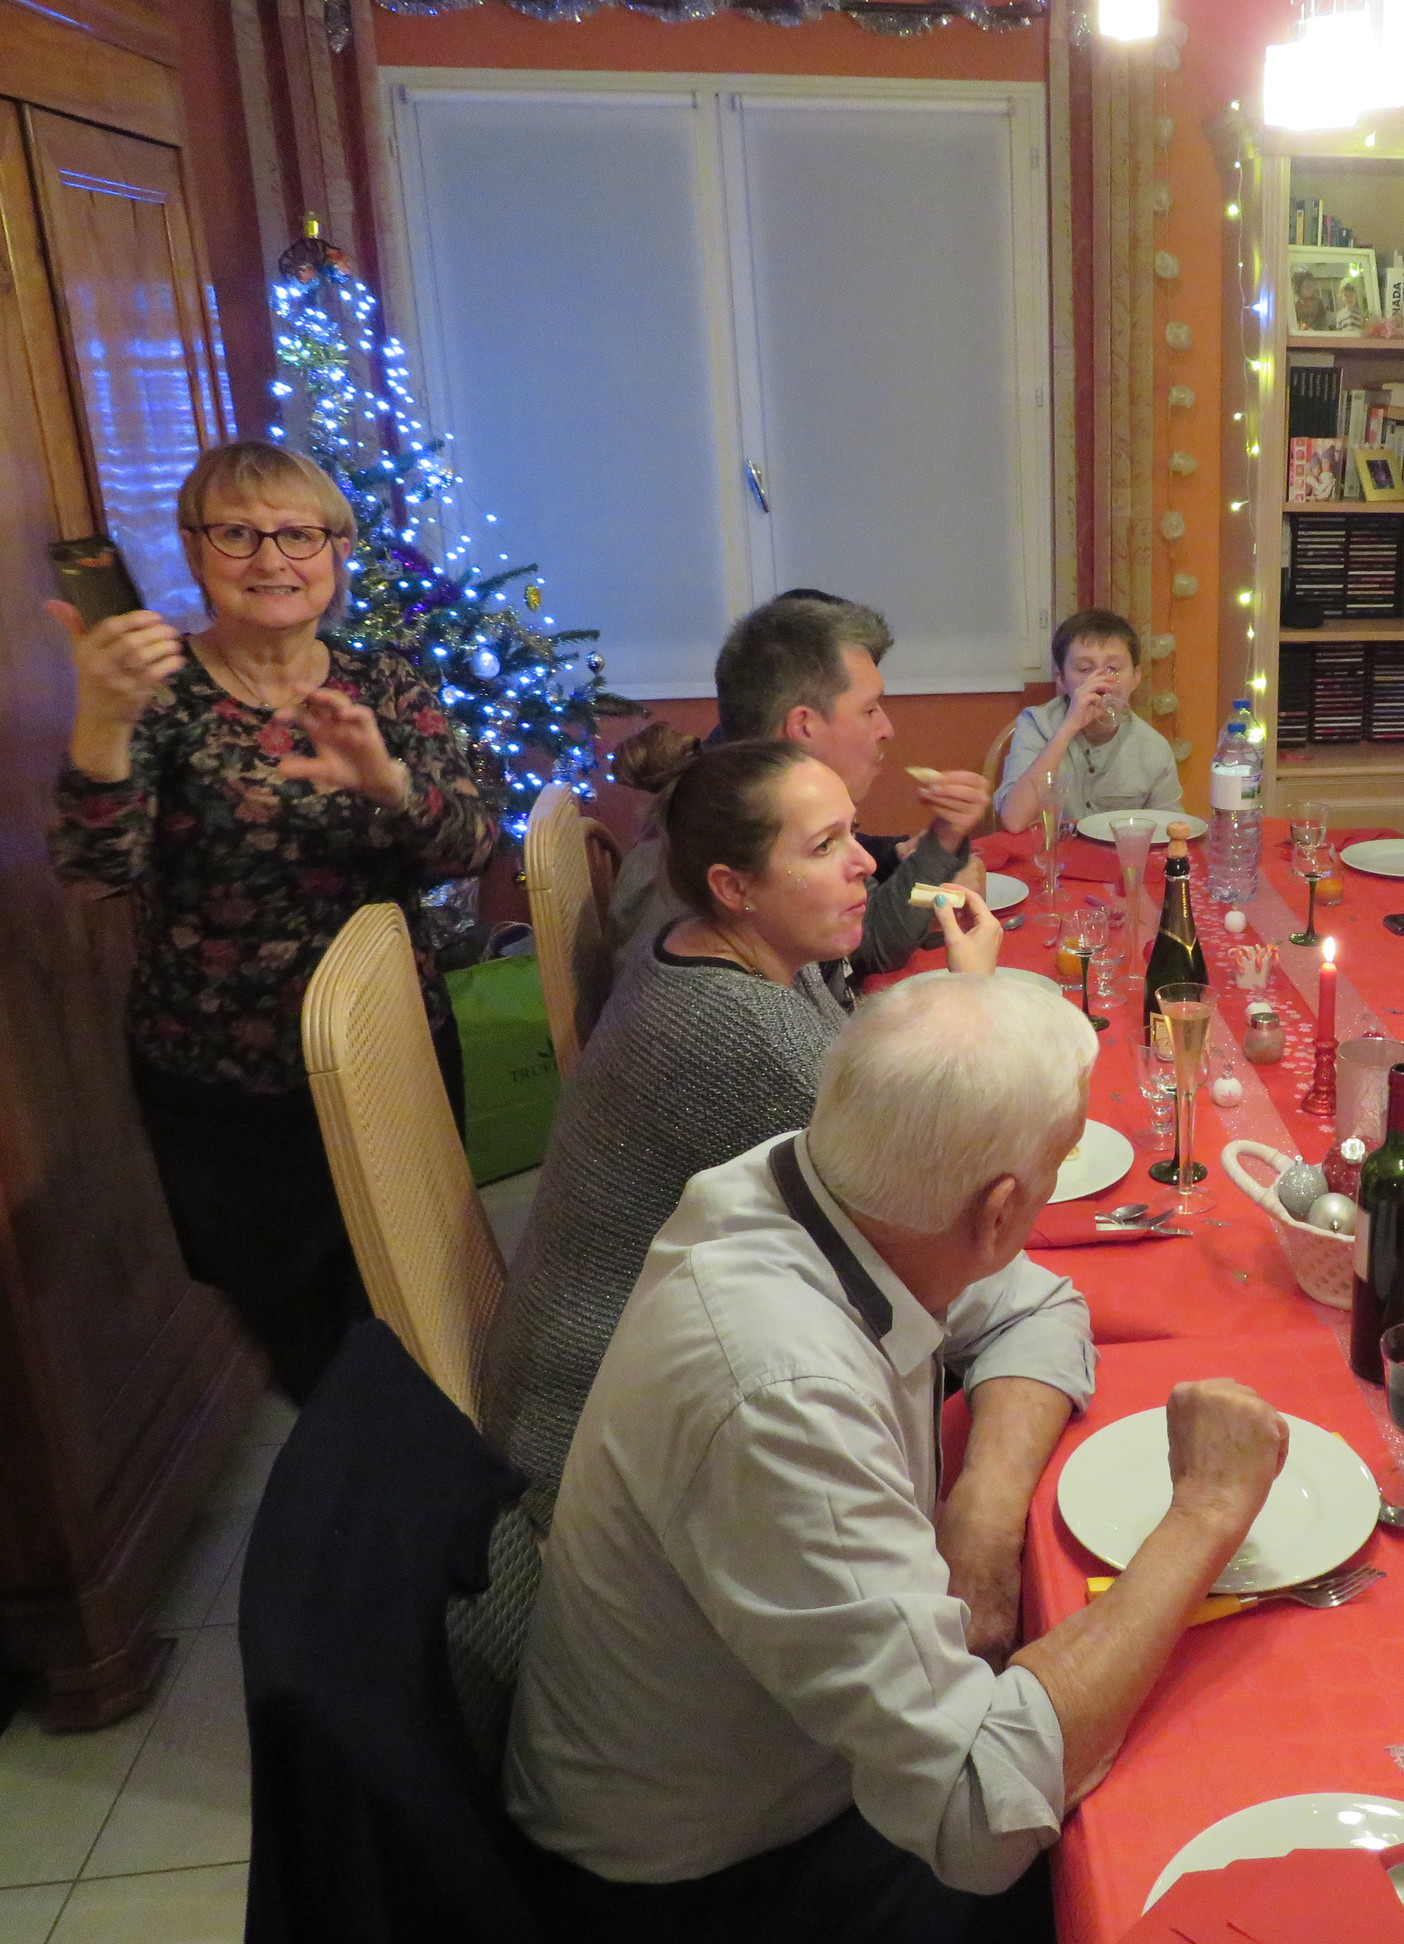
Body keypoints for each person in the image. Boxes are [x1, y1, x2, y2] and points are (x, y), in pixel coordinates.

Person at [506, 972, 1290, 1939]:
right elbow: (979, 1809)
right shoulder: (781, 1395)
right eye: (1058, 1165)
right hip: (702, 1880)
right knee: (1185, 1828)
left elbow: (1038, 1307)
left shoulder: (821, 1188)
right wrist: (1205, 1513)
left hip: (795, 1764)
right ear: (999, 1213)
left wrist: (984, 1515)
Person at [48, 440, 495, 1401]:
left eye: (299, 534)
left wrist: (388, 785)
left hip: (388, 1050)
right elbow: (94, 873)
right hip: (226, 1079)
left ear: (337, 551)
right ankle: (357, 1482)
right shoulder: (156, 694)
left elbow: (471, 846)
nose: (271, 558)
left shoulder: (386, 682)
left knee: (420, 1302)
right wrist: (102, 721)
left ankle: (433, 1477)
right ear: (194, 549)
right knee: (303, 1342)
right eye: (238, 534)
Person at [480, 736, 1001, 1525]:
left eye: (852, 834)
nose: (865, 862)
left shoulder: (719, 948)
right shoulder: (743, 1035)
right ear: (733, 887)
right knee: (1026, 1316)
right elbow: (928, 1229)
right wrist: (974, 1005)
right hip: (605, 1450)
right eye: (824, 846)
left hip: (638, 1376)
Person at [609, 592, 992, 982]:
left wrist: (897, 853)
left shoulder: (749, 802)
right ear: (804, 727)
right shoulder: (704, 846)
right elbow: (872, 944)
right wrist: (941, 843)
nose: (886, 729)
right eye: (869, 709)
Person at [994, 608, 1186, 833]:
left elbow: (1172, 831)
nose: (1100, 680)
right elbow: (1015, 820)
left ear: (1135, 678)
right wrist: (1069, 726)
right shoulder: (1036, 725)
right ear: (1061, 679)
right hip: (1051, 852)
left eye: (1113, 668)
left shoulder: (1153, 747)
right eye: (1085, 669)